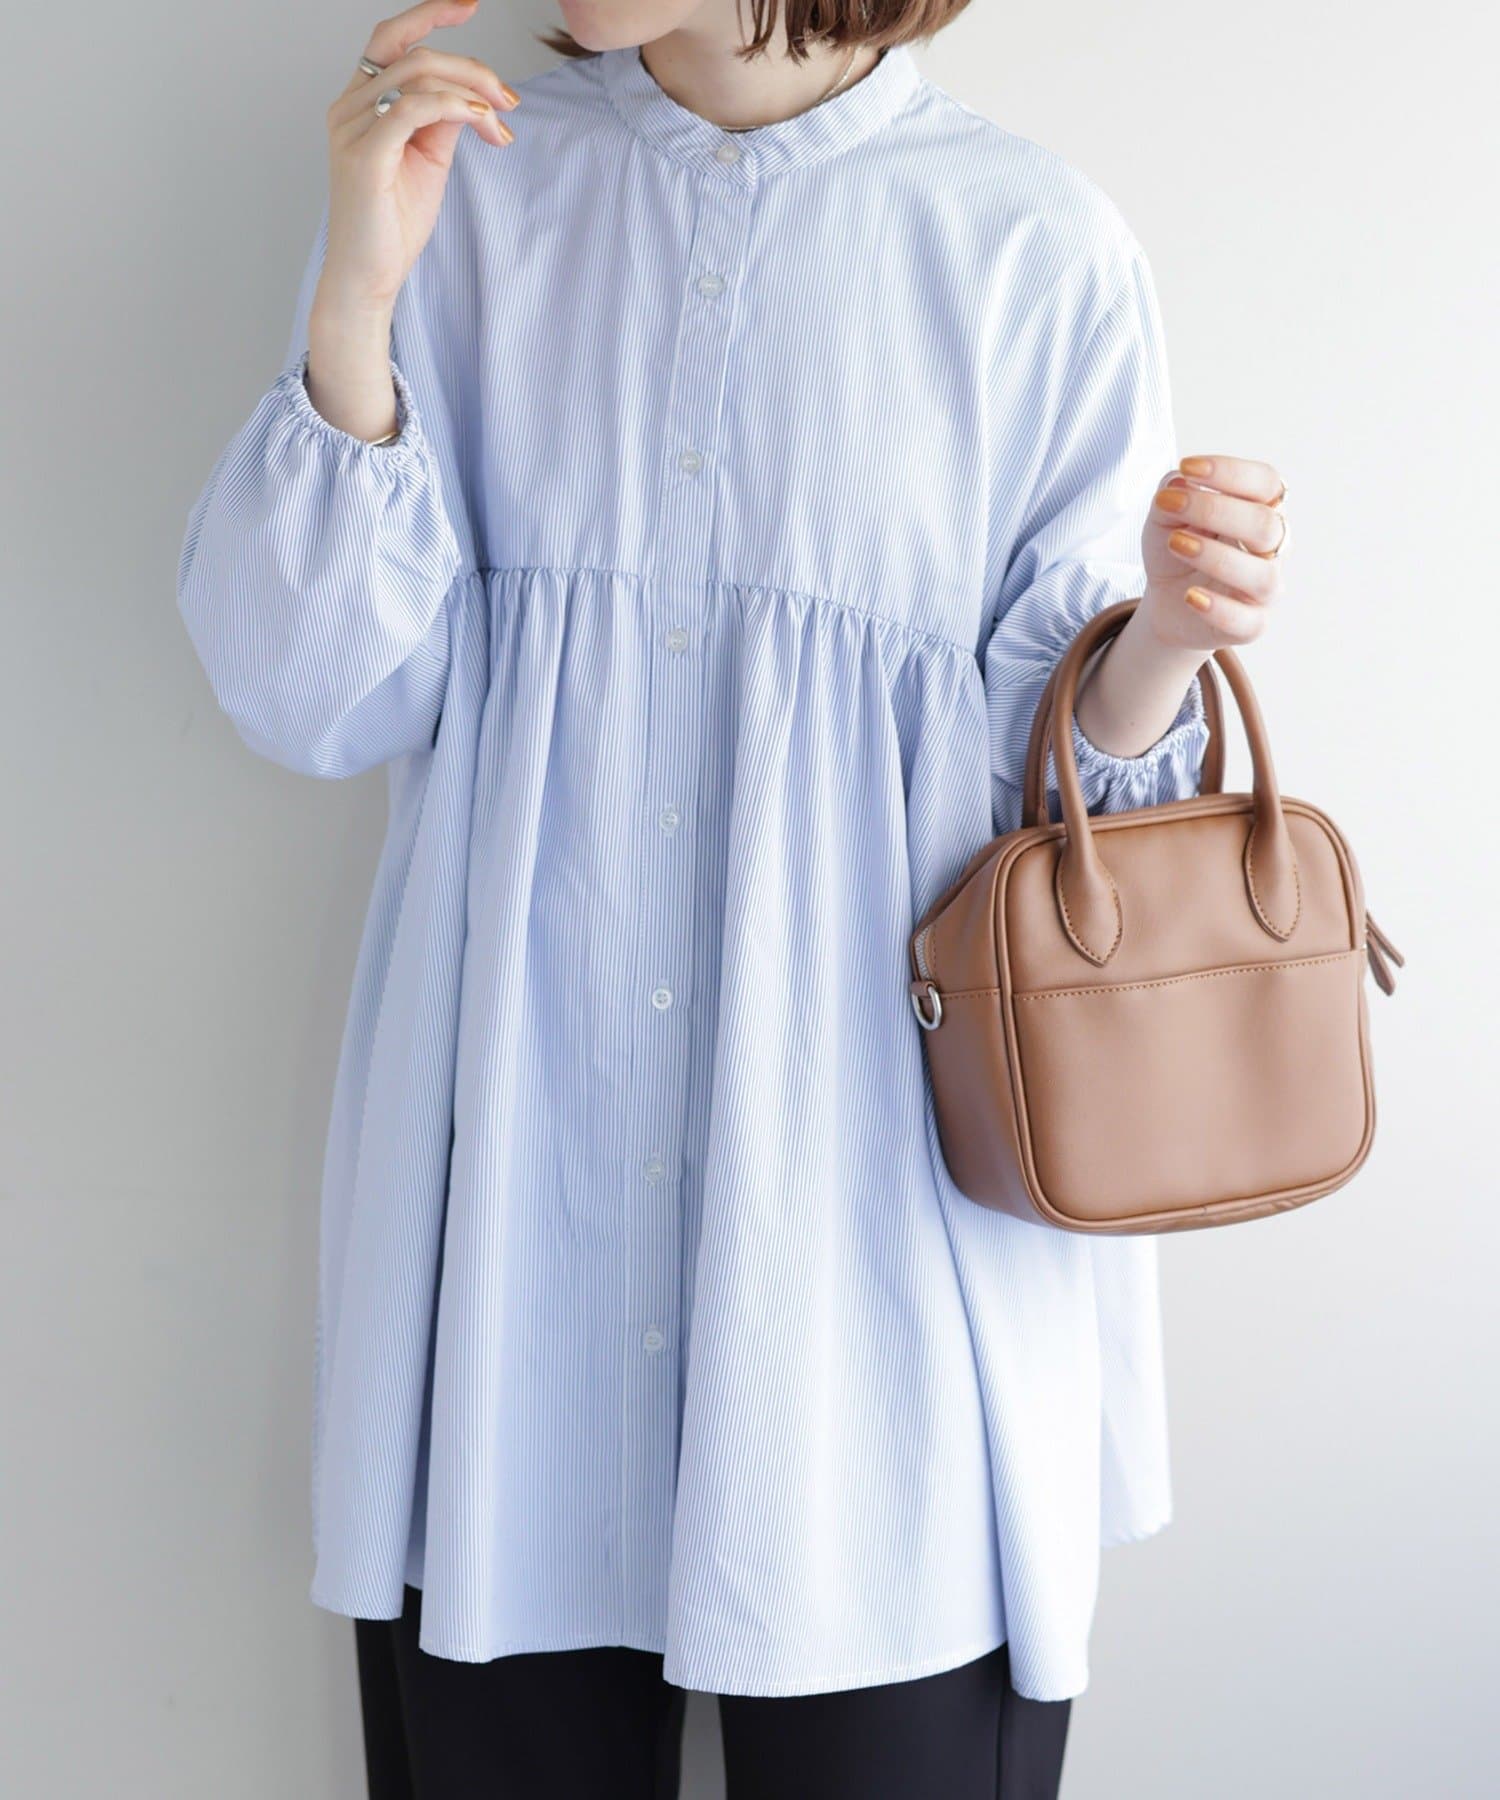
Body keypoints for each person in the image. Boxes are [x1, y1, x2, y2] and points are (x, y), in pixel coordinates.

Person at [175, 2, 1291, 1794]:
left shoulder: (1026, 247)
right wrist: (356, 299)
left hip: (884, 1263)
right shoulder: (468, 196)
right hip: (515, 1266)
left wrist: (1163, 637)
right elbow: (313, 699)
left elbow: (1065, 823)